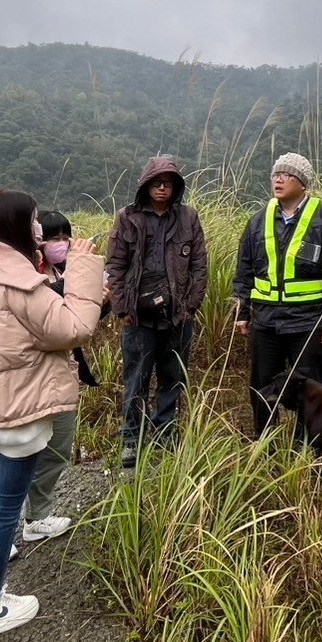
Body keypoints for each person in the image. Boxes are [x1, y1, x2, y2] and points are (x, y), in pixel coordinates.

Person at [0, 189, 105, 642]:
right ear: (15, 226)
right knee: (4, 506)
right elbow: (73, 328)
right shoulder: (23, 284)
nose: (39, 229)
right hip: (15, 412)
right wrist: (86, 269)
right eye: (33, 221)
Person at [232, 153, 322, 441]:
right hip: (266, 323)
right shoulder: (258, 222)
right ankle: (265, 443)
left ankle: (307, 447)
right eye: (276, 174)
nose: (279, 179)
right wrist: (244, 312)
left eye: (287, 175)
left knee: (310, 389)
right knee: (261, 386)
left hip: (307, 324)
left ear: (303, 184)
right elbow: (245, 268)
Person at [105, 155, 208, 467]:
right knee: (136, 379)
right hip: (138, 317)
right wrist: (123, 308)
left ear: (177, 187)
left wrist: (190, 307)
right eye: (156, 183)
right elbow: (116, 265)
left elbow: (200, 265)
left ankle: (165, 435)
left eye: (169, 183)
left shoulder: (188, 218)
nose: (162, 188)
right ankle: (131, 440)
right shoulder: (128, 217)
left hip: (178, 315)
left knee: (172, 377)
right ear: (146, 185)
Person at [19, 210, 108, 543]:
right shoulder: (24, 272)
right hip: (31, 376)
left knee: (58, 445)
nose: (61, 244)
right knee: (19, 454)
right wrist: (77, 284)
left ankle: (37, 517)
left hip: (62, 373)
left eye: (65, 238)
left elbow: (77, 326)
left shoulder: (62, 270)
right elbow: (42, 308)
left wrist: (100, 300)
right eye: (53, 238)